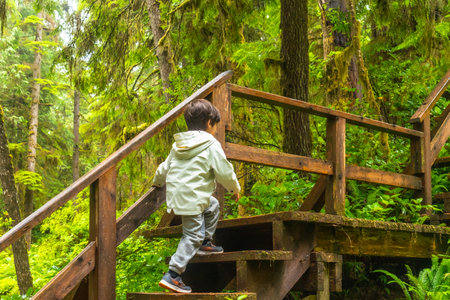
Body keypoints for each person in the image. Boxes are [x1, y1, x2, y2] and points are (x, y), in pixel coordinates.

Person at [152, 99, 241, 293]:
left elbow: (163, 168)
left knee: (213, 205)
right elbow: (224, 171)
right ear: (210, 122)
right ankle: (173, 274)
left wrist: (157, 183)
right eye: (215, 125)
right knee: (192, 236)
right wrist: (234, 189)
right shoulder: (210, 144)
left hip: (182, 197)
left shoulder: (179, 146)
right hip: (192, 198)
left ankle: (206, 242)